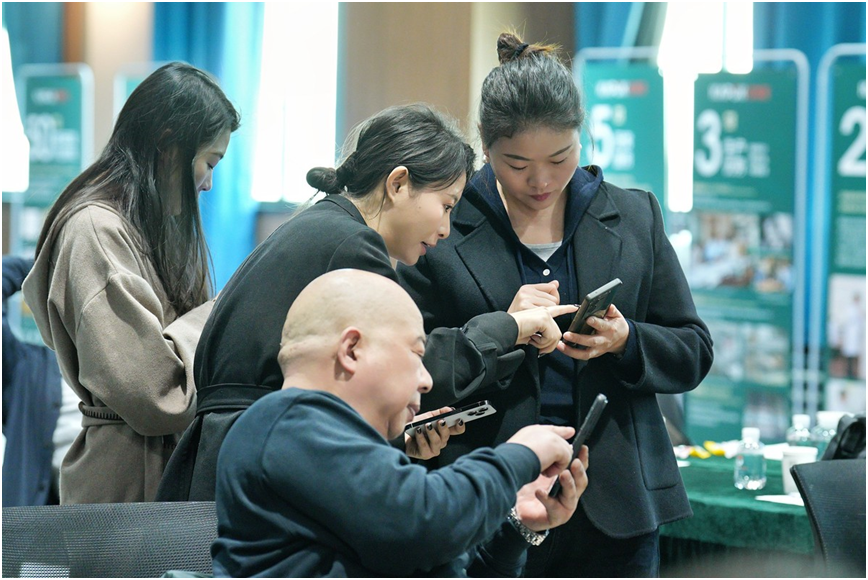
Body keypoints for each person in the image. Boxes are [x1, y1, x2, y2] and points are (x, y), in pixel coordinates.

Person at [397, 33, 714, 578]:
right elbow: (414, 361)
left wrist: (627, 340)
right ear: (485, 148)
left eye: (560, 158)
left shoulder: (634, 217)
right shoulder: (444, 227)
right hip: (483, 495)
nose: (540, 181)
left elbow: (693, 349)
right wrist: (502, 328)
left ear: (582, 138)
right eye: (515, 163)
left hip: (615, 506)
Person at [157, 103, 575, 502]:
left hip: (230, 452)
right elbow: (408, 367)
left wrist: (398, 438)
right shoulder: (353, 245)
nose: (446, 228)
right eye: (445, 206)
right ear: (398, 184)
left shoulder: (324, 226)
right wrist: (511, 327)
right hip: (257, 465)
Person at [211, 269, 589, 578]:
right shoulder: (287, 424)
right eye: (416, 353)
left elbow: (437, 549)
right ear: (352, 349)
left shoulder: (341, 444)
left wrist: (518, 525)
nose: (426, 380)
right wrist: (518, 456)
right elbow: (425, 522)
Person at [21, 62, 241, 503]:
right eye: (208, 162)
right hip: (122, 492)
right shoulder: (95, 232)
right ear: (167, 147)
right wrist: (223, 309)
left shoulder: (137, 226)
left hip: (150, 479)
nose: (209, 184)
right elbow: (156, 396)